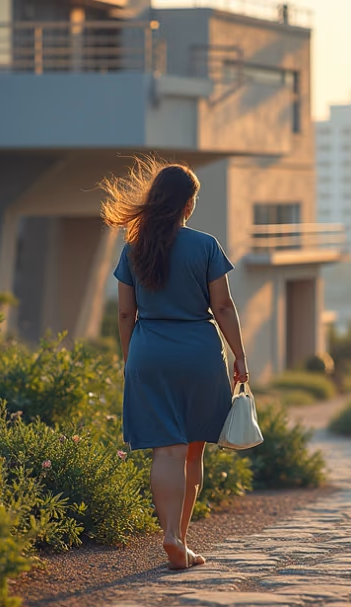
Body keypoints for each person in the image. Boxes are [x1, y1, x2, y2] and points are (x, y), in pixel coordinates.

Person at [101, 158, 249, 571]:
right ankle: (180, 541)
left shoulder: (134, 249)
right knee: (192, 452)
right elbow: (223, 305)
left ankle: (170, 535)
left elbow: (125, 314)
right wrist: (239, 354)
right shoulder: (206, 246)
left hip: (149, 351)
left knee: (166, 451)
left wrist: (131, 358)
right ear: (187, 204)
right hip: (199, 354)